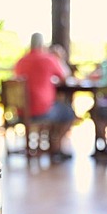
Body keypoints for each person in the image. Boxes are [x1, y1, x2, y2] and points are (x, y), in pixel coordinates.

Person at [14, 33, 76, 161]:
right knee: (68, 113)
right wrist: (59, 58)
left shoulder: (20, 61)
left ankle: (51, 144)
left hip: (20, 110)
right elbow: (66, 77)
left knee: (58, 108)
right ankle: (56, 146)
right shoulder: (48, 59)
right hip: (41, 110)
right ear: (42, 45)